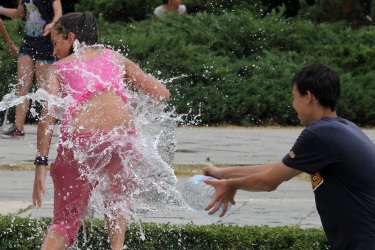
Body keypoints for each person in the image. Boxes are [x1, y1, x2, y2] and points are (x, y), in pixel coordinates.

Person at [32, 11, 171, 250]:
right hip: (122, 141)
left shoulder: (58, 68)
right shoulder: (115, 58)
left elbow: (48, 115)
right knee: (117, 204)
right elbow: (161, 94)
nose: (54, 52)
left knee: (65, 222)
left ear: (71, 37)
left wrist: (41, 164)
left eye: (56, 43)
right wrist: (132, 103)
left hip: (82, 144)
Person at [202, 63, 375, 250]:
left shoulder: (320, 134)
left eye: (294, 97)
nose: (293, 105)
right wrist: (224, 173)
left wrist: (231, 185)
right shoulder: (340, 128)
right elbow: (281, 168)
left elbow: (269, 181)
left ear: (308, 96)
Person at [0, 0, 62, 138]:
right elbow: (18, 14)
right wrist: (2, 10)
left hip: (46, 44)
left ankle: (48, 125)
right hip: (28, 43)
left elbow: (59, 14)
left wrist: (53, 24)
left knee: (43, 88)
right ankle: (18, 127)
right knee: (22, 84)